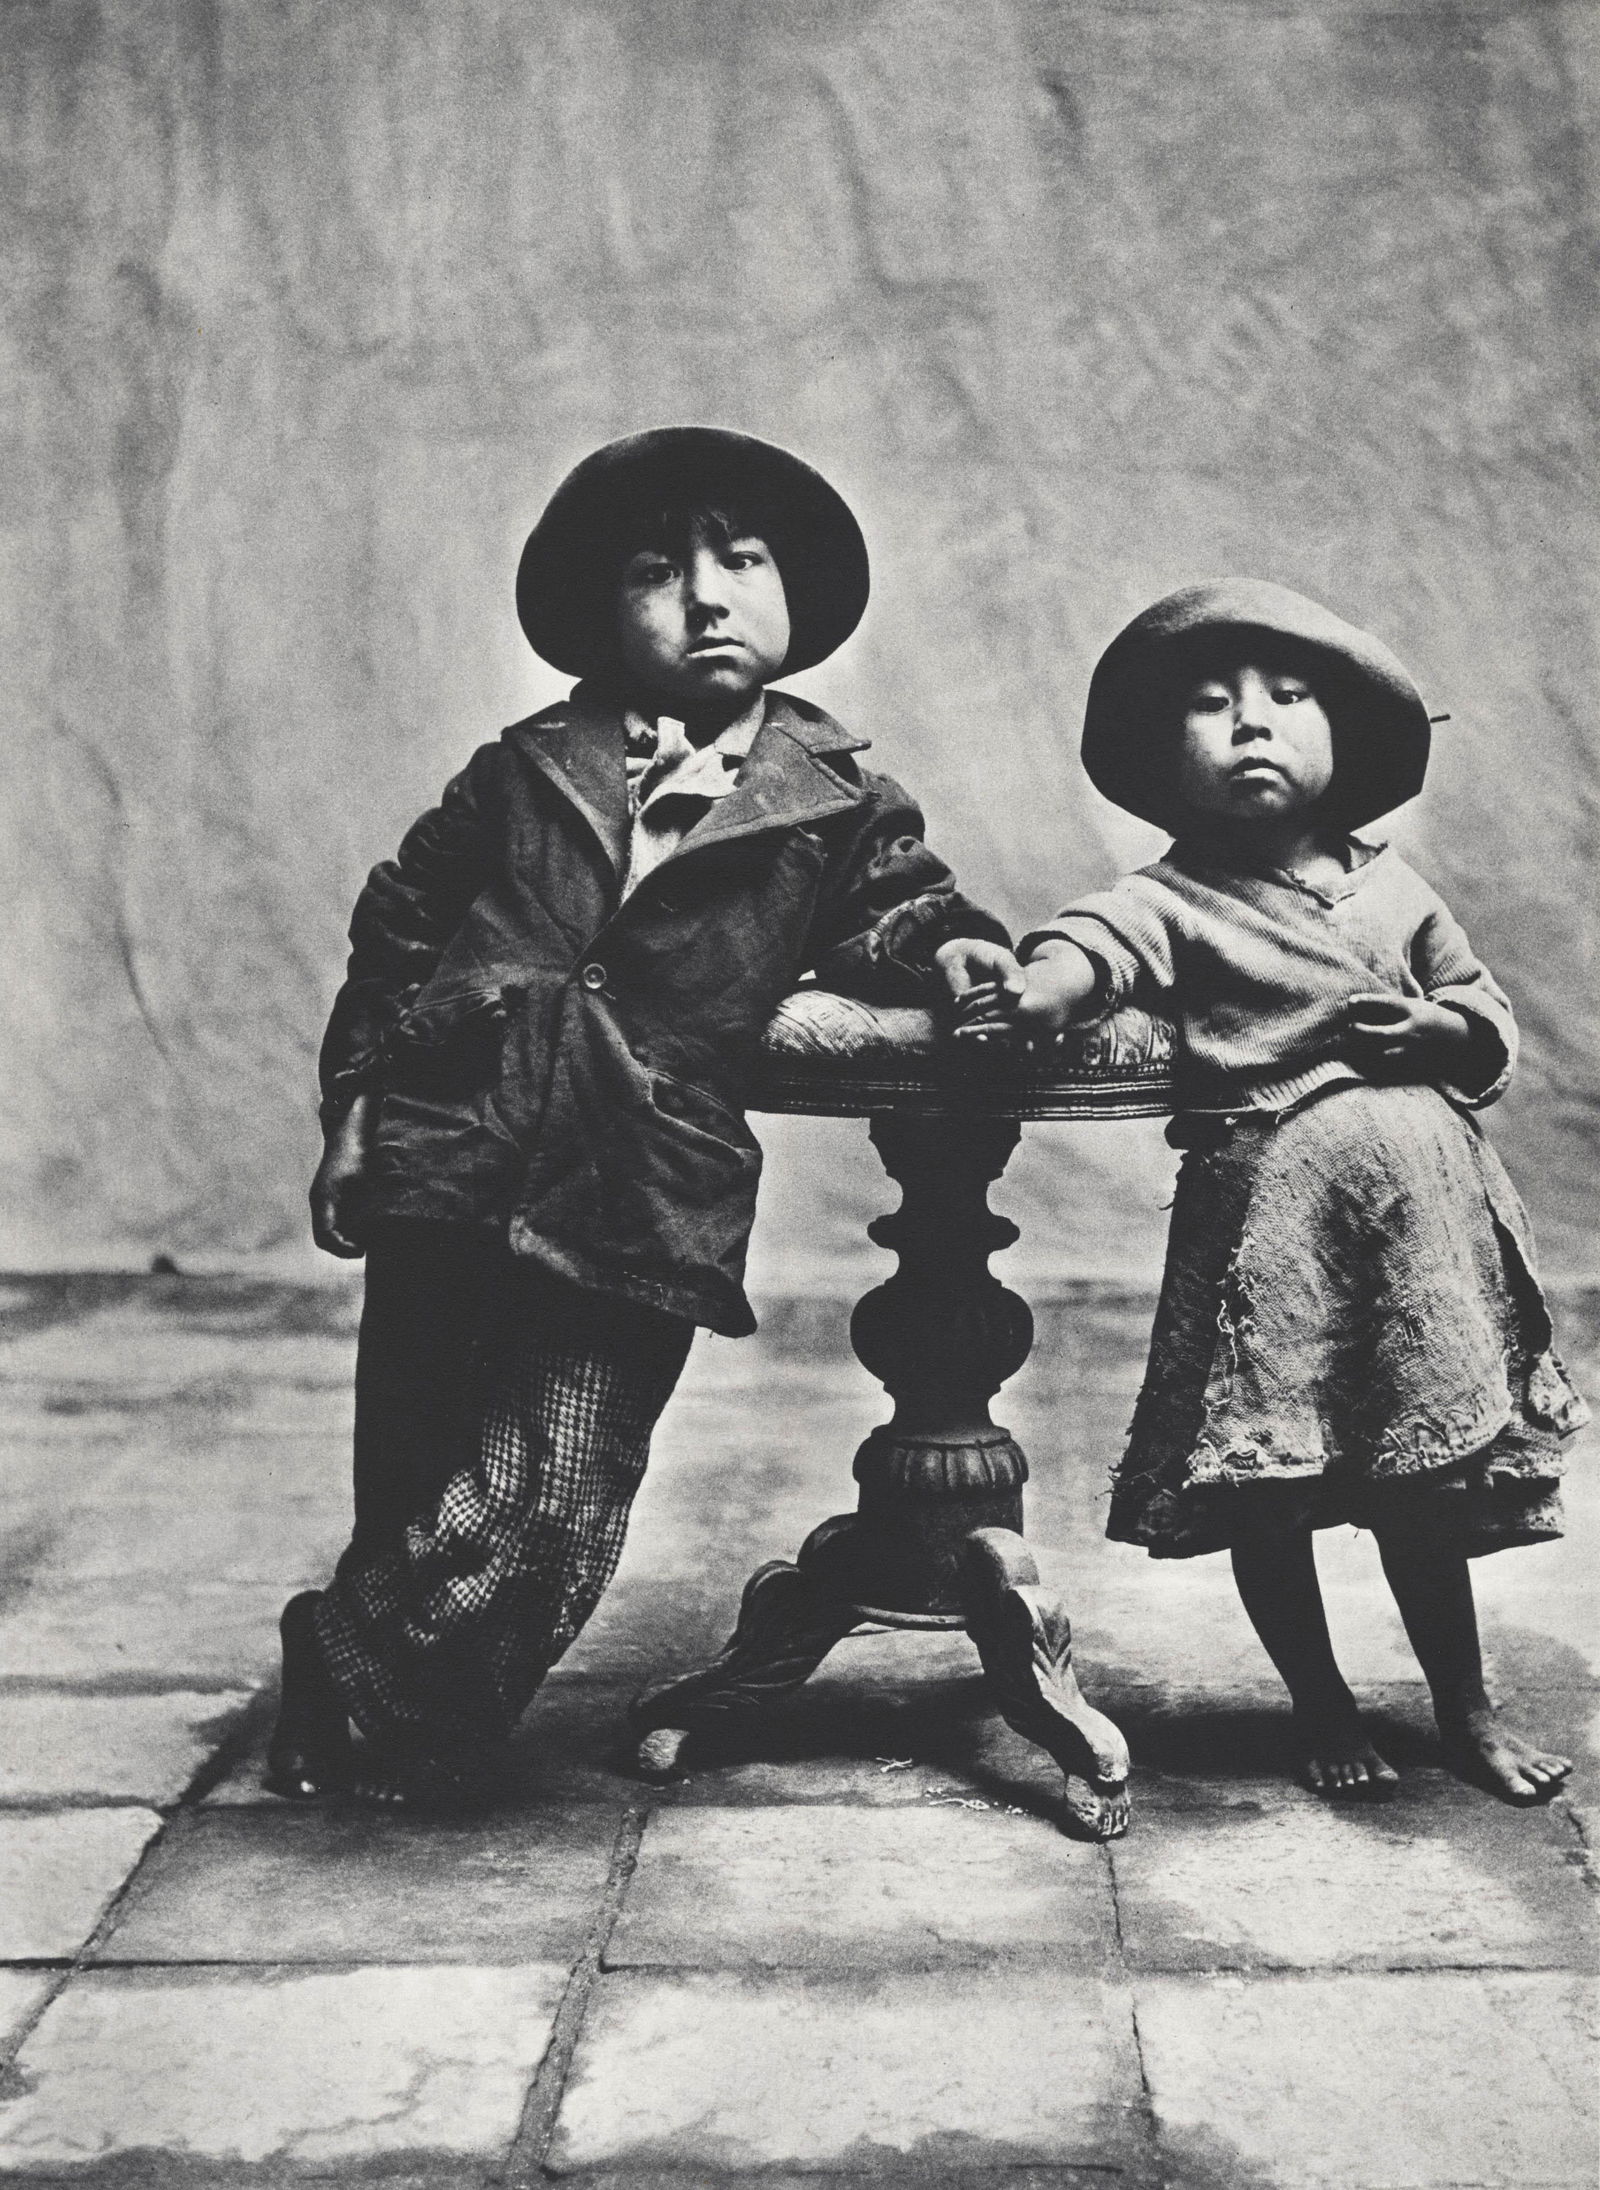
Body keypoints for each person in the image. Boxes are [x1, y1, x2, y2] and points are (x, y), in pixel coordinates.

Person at [269, 426, 1010, 1807]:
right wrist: (358, 1103)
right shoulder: (526, 765)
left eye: (742, 561)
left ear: (793, 598)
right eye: (658, 571)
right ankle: (397, 1720)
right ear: (604, 614)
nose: (708, 595)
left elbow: (900, 905)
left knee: (560, 1482)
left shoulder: (833, 793)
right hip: (457, 1134)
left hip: (639, 1168)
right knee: (420, 1455)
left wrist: (956, 950)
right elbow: (403, 924)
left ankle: (350, 1657)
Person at [946, 580, 1588, 1804]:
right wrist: (1043, 987)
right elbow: (1093, 941)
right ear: (1158, 754)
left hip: (1419, 1244)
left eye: (1288, 700)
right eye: (1210, 704)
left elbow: (1488, 1011)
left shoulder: (1395, 891)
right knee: (1271, 1488)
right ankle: (1323, 1704)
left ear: (1342, 743)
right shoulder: (1173, 896)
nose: (1251, 724)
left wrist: (1443, 1028)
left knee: (1424, 1484)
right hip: (1268, 1241)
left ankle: (1466, 1708)